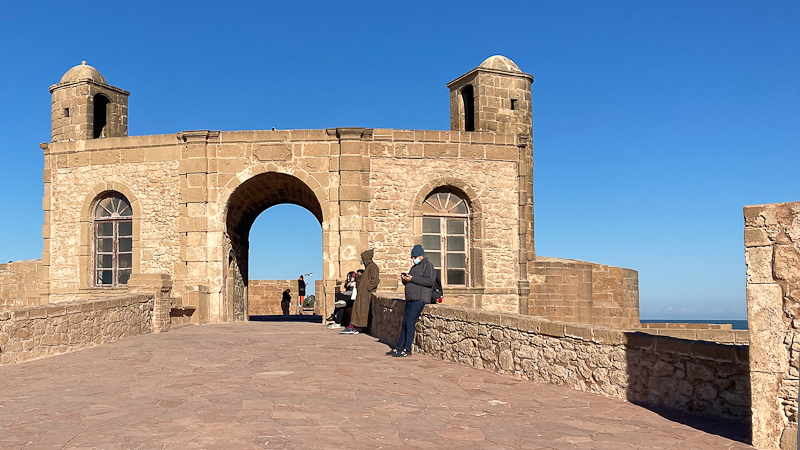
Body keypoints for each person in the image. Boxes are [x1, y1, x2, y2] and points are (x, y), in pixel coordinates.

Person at [387, 244, 435, 357]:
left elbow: (429, 281)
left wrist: (412, 279)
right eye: (412, 257)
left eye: (415, 257)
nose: (413, 259)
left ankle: (407, 348)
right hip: (410, 298)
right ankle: (399, 347)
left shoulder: (428, 266)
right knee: (404, 322)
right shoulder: (414, 268)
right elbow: (412, 281)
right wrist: (405, 279)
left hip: (420, 298)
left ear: (421, 256)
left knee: (410, 322)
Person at [340, 250, 380, 335]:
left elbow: (375, 280)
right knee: (357, 309)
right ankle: (354, 325)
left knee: (362, 310)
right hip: (362, 293)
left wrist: (368, 289)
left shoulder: (373, 267)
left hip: (366, 293)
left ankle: (356, 326)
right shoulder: (369, 267)